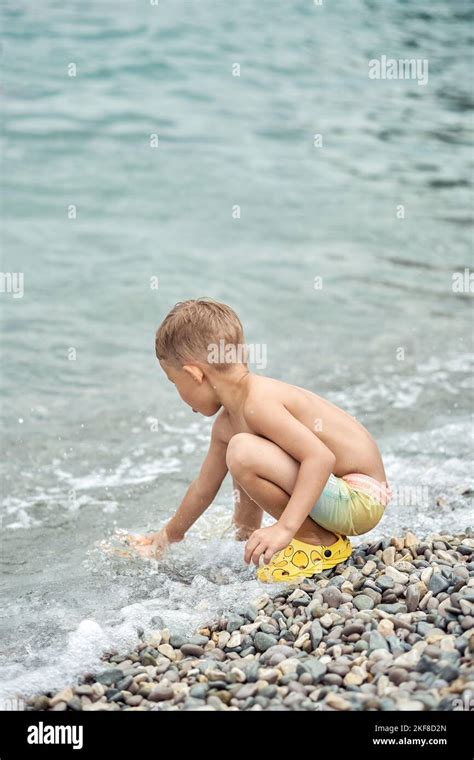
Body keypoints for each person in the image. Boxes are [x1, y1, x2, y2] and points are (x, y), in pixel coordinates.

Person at [128, 297, 392, 583]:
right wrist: (166, 537)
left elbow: (320, 458)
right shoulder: (228, 423)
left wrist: (285, 528)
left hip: (360, 498)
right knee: (240, 447)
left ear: (194, 374)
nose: (178, 393)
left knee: (242, 450)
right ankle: (245, 536)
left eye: (174, 382)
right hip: (340, 496)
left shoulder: (259, 402)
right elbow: (204, 487)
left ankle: (317, 542)